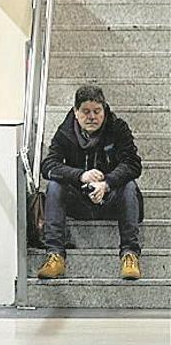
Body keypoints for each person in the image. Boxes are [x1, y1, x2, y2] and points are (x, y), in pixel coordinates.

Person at [37, 85, 143, 280]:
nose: (92, 117)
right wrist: (80, 176)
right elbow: (48, 165)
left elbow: (133, 164)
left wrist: (107, 183)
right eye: (86, 112)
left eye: (97, 111)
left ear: (104, 110)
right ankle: (55, 255)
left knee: (129, 186)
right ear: (76, 112)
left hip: (111, 199)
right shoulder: (65, 132)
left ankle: (130, 254)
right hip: (79, 201)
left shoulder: (118, 128)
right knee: (53, 186)